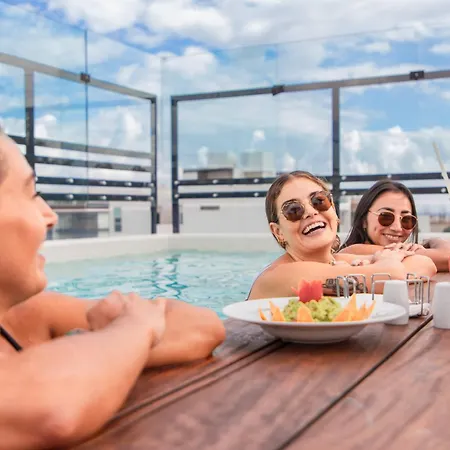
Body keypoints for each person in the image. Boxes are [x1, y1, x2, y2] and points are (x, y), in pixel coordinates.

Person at [0, 129, 225, 449]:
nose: (50, 215)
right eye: (31, 192)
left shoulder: (29, 316)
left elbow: (201, 326)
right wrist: (133, 328)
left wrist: (105, 344)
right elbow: (46, 409)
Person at [247, 171, 437, 300]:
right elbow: (393, 278)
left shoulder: (338, 261)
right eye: (293, 210)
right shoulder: (280, 275)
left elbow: (425, 264)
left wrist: (375, 267)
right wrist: (386, 261)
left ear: (334, 212)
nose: (311, 212)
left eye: (319, 201)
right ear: (278, 232)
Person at [339, 179, 450, 272]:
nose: (397, 227)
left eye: (407, 220)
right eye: (386, 217)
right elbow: (447, 258)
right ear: (364, 220)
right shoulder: (354, 251)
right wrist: (433, 241)